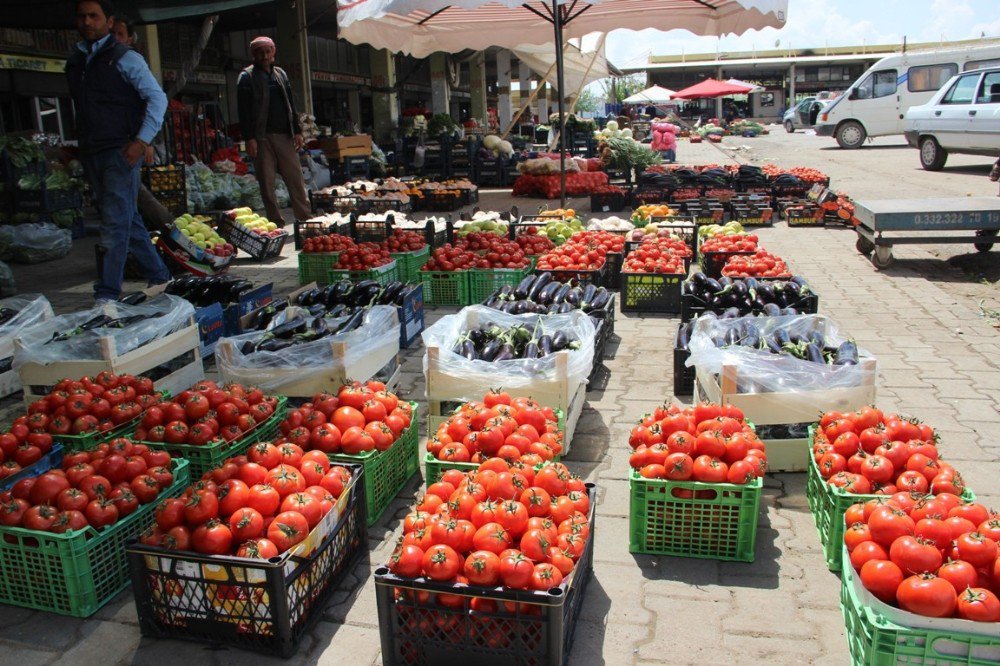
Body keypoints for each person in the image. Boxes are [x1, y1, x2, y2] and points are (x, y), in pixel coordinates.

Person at [66, 0, 172, 303]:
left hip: (119, 151)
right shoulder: (77, 61)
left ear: (108, 22)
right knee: (127, 218)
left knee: (113, 223)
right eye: (82, 16)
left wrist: (141, 141)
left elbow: (156, 99)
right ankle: (161, 276)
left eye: (94, 16)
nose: (87, 21)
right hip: (92, 152)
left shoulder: (124, 58)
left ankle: (108, 293)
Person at [236, 36, 311, 225]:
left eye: (268, 51)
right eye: (260, 52)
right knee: (266, 182)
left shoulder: (280, 75)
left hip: (284, 135)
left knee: (295, 179)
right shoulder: (246, 77)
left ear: (273, 52)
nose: (265, 55)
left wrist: (297, 130)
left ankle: (305, 218)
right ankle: (276, 221)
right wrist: (249, 138)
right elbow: (243, 112)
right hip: (261, 138)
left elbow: (290, 105)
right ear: (254, 55)